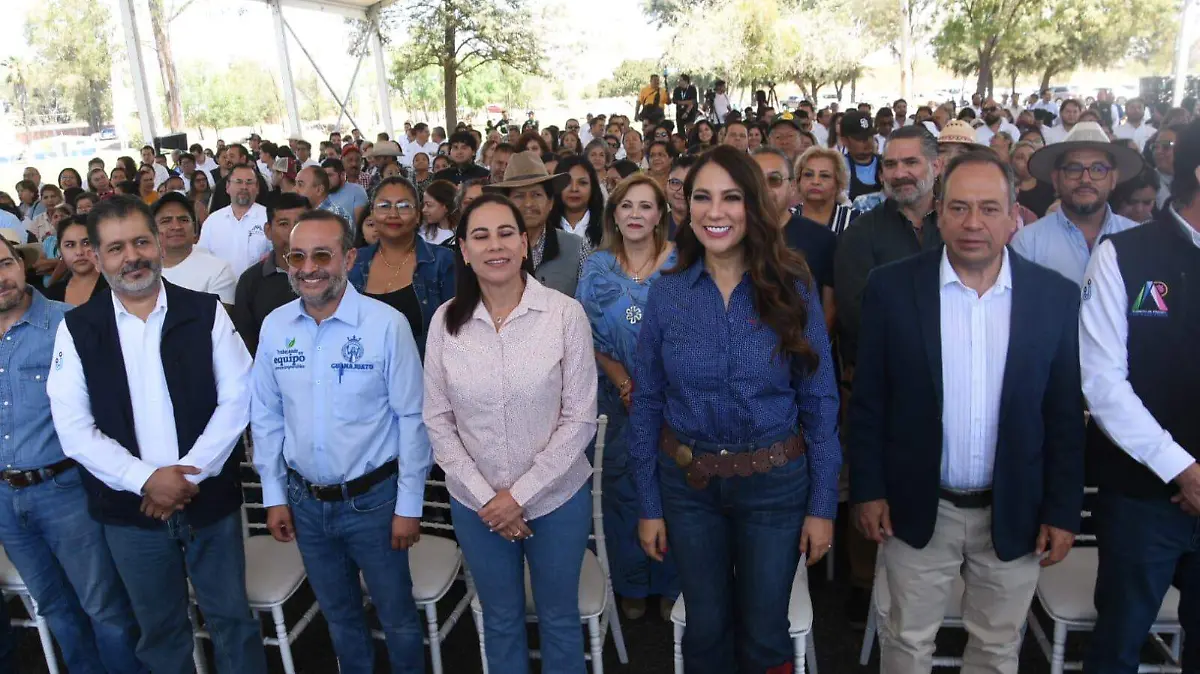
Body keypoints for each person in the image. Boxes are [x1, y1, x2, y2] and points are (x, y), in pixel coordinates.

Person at [849, 149, 1085, 674]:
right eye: (958, 208)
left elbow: (1065, 415)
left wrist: (1061, 510)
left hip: (1015, 511)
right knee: (907, 643)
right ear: (939, 212)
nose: (972, 223)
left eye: (987, 208)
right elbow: (869, 402)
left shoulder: (1053, 297)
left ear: (1013, 213)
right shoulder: (891, 288)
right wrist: (868, 489)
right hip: (917, 507)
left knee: (998, 648)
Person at [631, 146, 840, 673]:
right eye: (702, 197)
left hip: (775, 487)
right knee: (705, 630)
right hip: (689, 488)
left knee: (767, 636)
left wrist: (822, 506)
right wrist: (649, 504)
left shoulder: (792, 286)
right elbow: (648, 402)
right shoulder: (669, 293)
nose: (715, 212)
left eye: (731, 197)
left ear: (753, 206)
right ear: (686, 207)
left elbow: (819, 400)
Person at [46, 196, 267, 674]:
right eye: (117, 247)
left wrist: (186, 477)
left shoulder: (205, 312)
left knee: (232, 621)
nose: (133, 256)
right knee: (161, 632)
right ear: (99, 257)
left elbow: (238, 399)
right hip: (130, 512)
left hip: (208, 502)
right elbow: (74, 429)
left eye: (142, 241)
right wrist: (146, 480)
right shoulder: (78, 329)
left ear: (160, 245)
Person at [251, 209, 432, 674]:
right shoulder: (274, 326)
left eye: (322, 255)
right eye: (297, 256)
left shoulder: (385, 325)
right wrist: (274, 496)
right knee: (340, 617)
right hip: (305, 503)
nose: (308, 268)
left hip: (375, 504)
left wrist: (409, 505)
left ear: (350, 258)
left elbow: (413, 418)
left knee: (397, 619)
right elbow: (267, 417)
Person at [423, 192, 597, 673]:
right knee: (500, 620)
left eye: (506, 233)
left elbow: (580, 419)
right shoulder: (445, 322)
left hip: (557, 500)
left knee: (560, 619)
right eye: (480, 235)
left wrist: (517, 496)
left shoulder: (564, 315)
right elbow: (437, 421)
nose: (494, 245)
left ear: (525, 243)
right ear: (463, 248)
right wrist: (488, 499)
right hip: (477, 504)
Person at [1079, 118, 1200, 674]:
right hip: (1142, 498)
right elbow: (1103, 382)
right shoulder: (1122, 256)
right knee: (1119, 647)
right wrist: (1183, 470)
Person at [0, 235, 146, 674]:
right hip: (6, 500)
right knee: (54, 606)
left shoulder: (70, 324)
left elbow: (115, 406)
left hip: (64, 491)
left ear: (21, 265)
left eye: (4, 263)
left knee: (102, 605)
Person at [575, 174, 680, 622]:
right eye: (626, 206)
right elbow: (585, 332)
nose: (635, 214)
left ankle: (673, 582)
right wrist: (622, 382)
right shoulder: (596, 266)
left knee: (675, 488)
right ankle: (631, 583)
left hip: (677, 398)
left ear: (661, 214)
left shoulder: (683, 262)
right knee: (622, 489)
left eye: (645, 206)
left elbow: (698, 330)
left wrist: (657, 388)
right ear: (613, 215)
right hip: (615, 399)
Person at [1011, 122, 1145, 285]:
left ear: (1113, 179)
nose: (1085, 179)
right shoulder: (1028, 243)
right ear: (1056, 179)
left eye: (1098, 169)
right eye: (1073, 169)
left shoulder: (1138, 238)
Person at [348, 176, 456, 358]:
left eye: (404, 206)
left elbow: (455, 331)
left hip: (423, 374)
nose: (393, 214)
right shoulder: (353, 262)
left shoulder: (442, 262)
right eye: (384, 206)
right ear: (372, 213)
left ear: (417, 216)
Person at [754, 147, 837, 331]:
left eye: (774, 180)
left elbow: (828, 311)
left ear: (792, 187)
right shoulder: (730, 237)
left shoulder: (823, 240)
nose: (764, 189)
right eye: (756, 180)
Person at [484, 152, 587, 297]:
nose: (528, 204)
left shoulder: (576, 247)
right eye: (519, 196)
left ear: (550, 203)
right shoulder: (491, 249)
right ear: (506, 204)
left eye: (536, 195)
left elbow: (589, 302)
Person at [231, 193, 311, 355]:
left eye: (300, 223)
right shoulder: (250, 281)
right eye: (283, 224)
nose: (293, 232)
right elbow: (246, 343)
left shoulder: (327, 275)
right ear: (268, 230)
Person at [153, 193, 237, 304]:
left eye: (183, 220)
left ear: (195, 229)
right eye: (166, 221)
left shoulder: (218, 270)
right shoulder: (141, 269)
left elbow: (216, 318)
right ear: (152, 230)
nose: (176, 227)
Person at [197, 164, 272, 276]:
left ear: (257, 188)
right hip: (219, 288)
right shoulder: (213, 221)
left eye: (249, 182)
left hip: (259, 288)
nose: (244, 187)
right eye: (238, 181)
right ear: (227, 187)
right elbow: (201, 257)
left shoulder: (269, 218)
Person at [42, 216, 109, 306]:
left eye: (86, 243)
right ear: (60, 250)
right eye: (70, 245)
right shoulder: (52, 294)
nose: (79, 252)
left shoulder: (115, 287)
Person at [796, 146, 857, 235]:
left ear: (838, 183)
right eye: (808, 175)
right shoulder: (783, 220)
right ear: (798, 180)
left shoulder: (856, 221)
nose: (815, 182)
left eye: (824, 176)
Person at [549, 154, 605, 247]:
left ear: (593, 187)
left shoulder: (607, 227)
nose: (574, 189)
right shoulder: (544, 227)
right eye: (567, 183)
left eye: (582, 183)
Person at [841, 111, 884, 200]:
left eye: (870, 136)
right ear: (845, 140)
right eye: (860, 139)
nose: (867, 142)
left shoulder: (886, 164)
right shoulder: (839, 167)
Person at [1011, 141, 1057, 218]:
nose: (1027, 160)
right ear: (1011, 162)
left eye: (1031, 156)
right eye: (1020, 157)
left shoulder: (1050, 184)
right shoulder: (1008, 189)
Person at [321, 157, 370, 224]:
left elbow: (361, 224)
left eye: (330, 175)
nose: (326, 179)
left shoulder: (356, 191)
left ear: (342, 175)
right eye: (323, 176)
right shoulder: (320, 194)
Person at [420, 179, 459, 245]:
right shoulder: (421, 231)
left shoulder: (462, 234)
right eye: (424, 205)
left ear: (445, 207)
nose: (424, 210)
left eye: (429, 205)